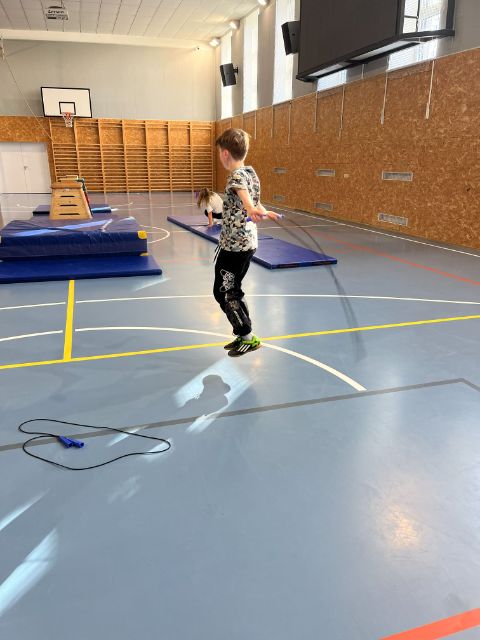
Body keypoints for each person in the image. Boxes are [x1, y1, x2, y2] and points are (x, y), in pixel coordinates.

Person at [214, 128, 280, 357]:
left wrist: (252, 209)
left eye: (219, 153)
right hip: (247, 243)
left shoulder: (237, 176)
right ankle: (244, 335)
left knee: (224, 292)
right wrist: (263, 210)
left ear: (225, 153)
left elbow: (243, 194)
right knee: (233, 288)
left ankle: (247, 337)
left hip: (235, 246)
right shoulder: (251, 173)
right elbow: (253, 201)